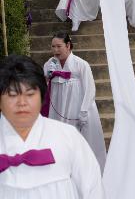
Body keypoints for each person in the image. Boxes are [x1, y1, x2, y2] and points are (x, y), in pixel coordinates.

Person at [0, 54, 104, 198]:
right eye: (12, 95)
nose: (22, 102)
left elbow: (92, 188)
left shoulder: (68, 137)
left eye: (30, 94)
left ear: (42, 96)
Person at [42, 32, 106, 174]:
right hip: (57, 106)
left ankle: (86, 172)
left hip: (76, 105)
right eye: (53, 47)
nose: (55, 50)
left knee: (80, 140)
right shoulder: (49, 63)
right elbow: (43, 84)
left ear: (68, 45)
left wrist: (84, 111)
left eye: (59, 46)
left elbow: (90, 89)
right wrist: (47, 75)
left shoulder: (81, 64)